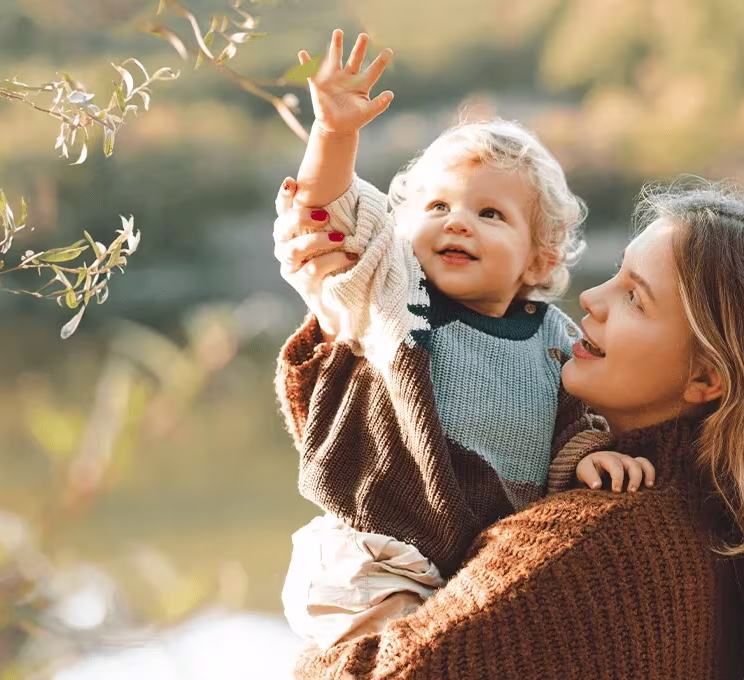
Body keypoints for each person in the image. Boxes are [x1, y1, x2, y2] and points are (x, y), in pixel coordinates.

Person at [273, 176, 744, 678]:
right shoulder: (713, 522)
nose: (592, 298)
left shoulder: (589, 543)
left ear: (707, 377)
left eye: (635, 298)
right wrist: (347, 327)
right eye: (615, 273)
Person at [272, 30, 647, 648]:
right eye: (438, 207)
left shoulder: (554, 338)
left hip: (470, 567)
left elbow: (575, 423)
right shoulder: (391, 295)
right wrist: (334, 134)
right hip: (375, 557)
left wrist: (589, 458)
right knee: (403, 659)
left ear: (540, 256)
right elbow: (330, 215)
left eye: (490, 214)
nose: (458, 223)